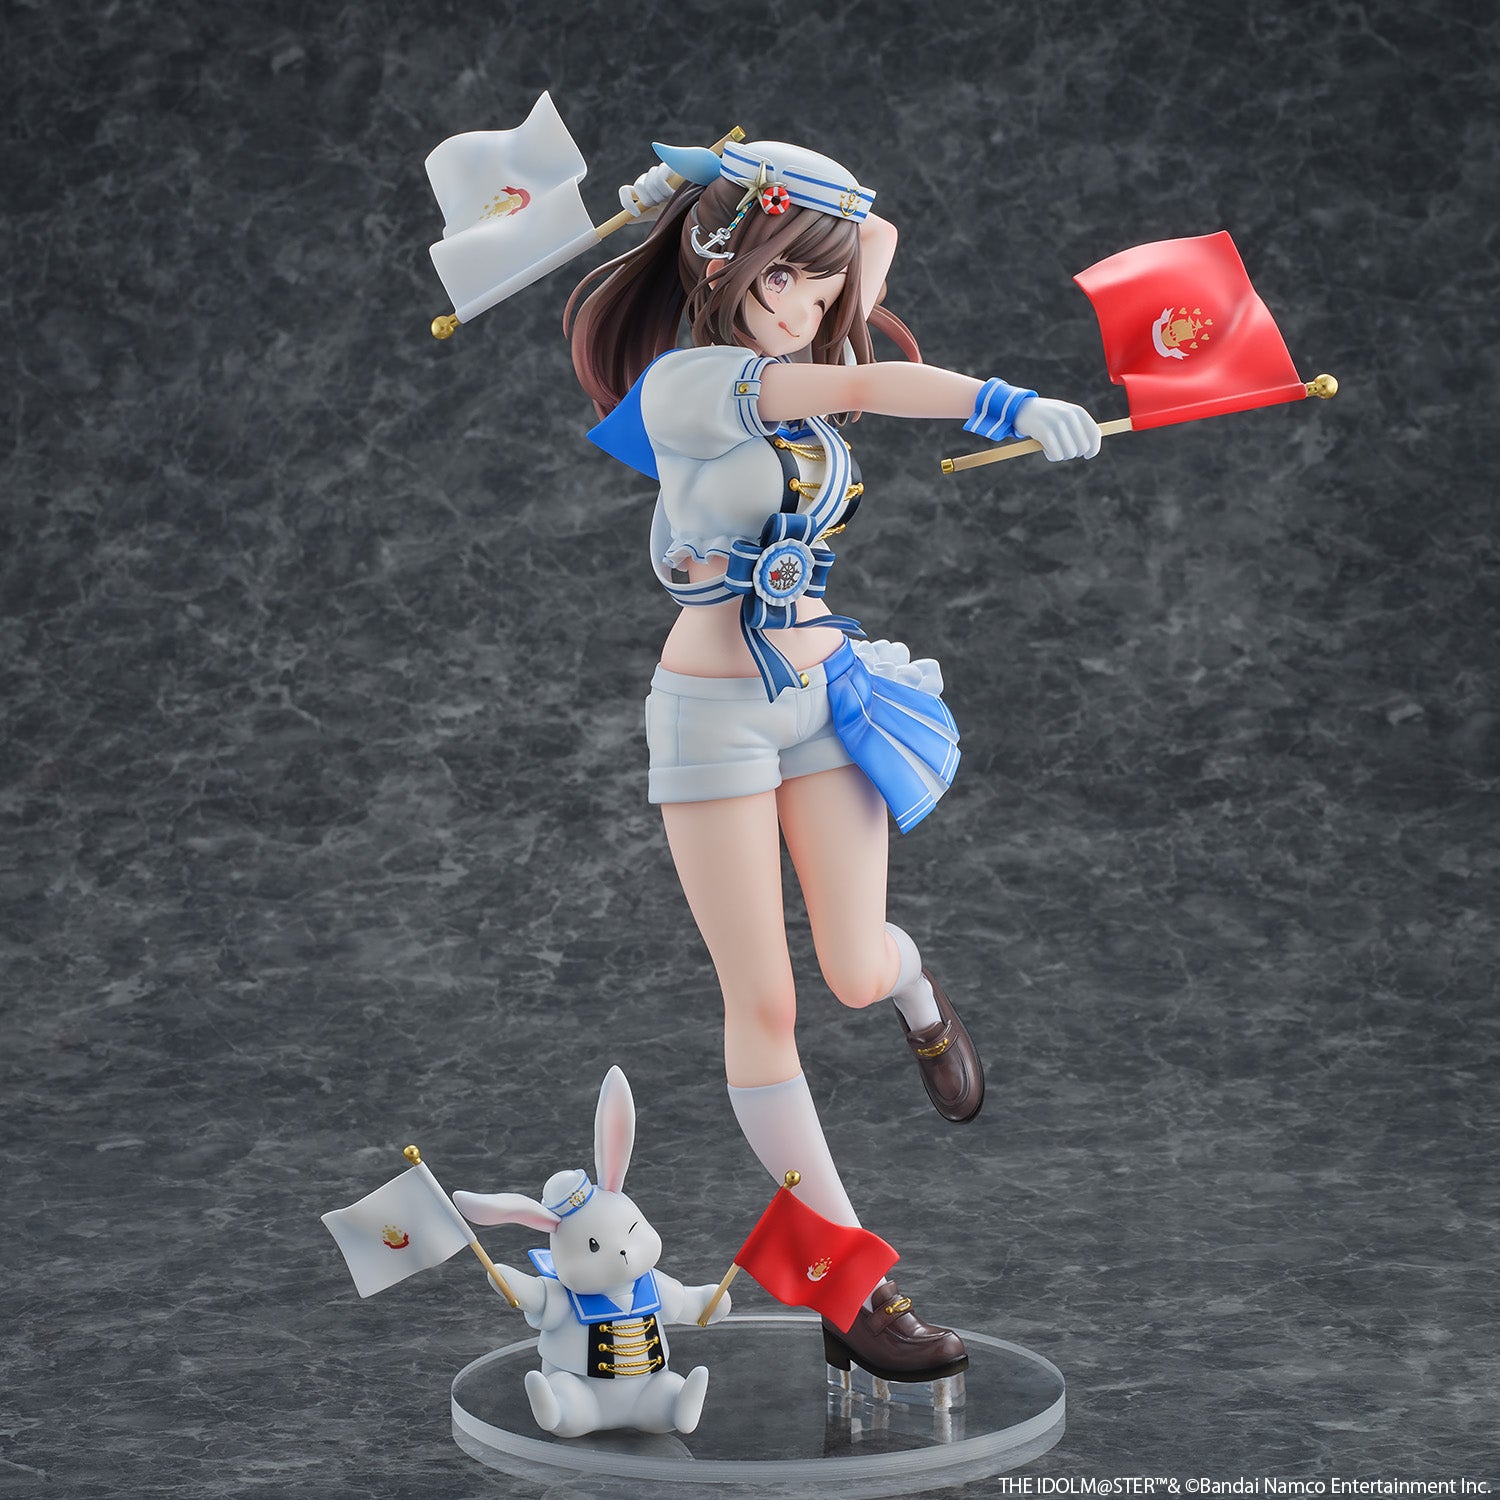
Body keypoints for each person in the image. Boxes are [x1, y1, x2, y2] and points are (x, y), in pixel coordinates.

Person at [564, 136, 1100, 1383]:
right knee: (765, 1007)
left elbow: (871, 249)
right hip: (713, 717)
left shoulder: (802, 341)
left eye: (822, 283)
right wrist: (1005, 403)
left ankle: (919, 999)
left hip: (824, 692)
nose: (809, 306)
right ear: (720, 264)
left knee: (858, 972)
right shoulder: (697, 382)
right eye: (783, 278)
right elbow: (872, 388)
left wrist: (776, 202)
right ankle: (848, 1287)